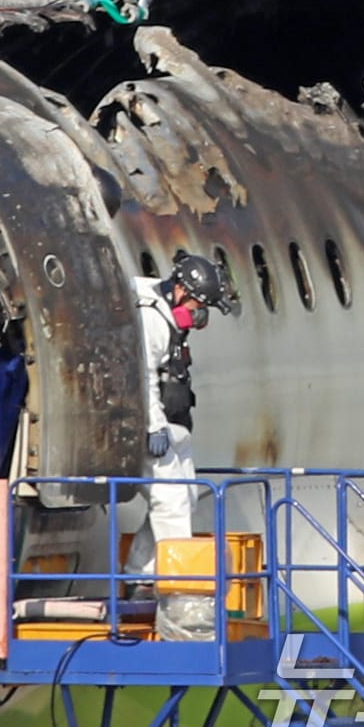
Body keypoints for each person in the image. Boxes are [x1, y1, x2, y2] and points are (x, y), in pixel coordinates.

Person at [124, 250, 234, 585]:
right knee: (170, 499)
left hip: (173, 427)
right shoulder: (151, 320)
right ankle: (178, 587)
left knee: (184, 497)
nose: (199, 317)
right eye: (198, 307)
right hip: (150, 428)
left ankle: (139, 576)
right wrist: (153, 426)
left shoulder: (170, 317)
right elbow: (141, 376)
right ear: (182, 292)